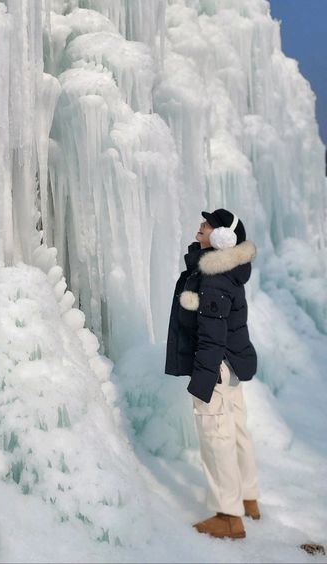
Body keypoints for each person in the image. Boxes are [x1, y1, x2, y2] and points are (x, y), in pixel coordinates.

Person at [165, 208, 260, 540]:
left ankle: (228, 516)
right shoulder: (224, 271)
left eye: (209, 225)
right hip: (230, 364)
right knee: (235, 430)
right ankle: (248, 499)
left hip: (216, 366)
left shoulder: (214, 277)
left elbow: (212, 334)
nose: (201, 226)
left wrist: (203, 379)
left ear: (223, 237)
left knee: (215, 436)